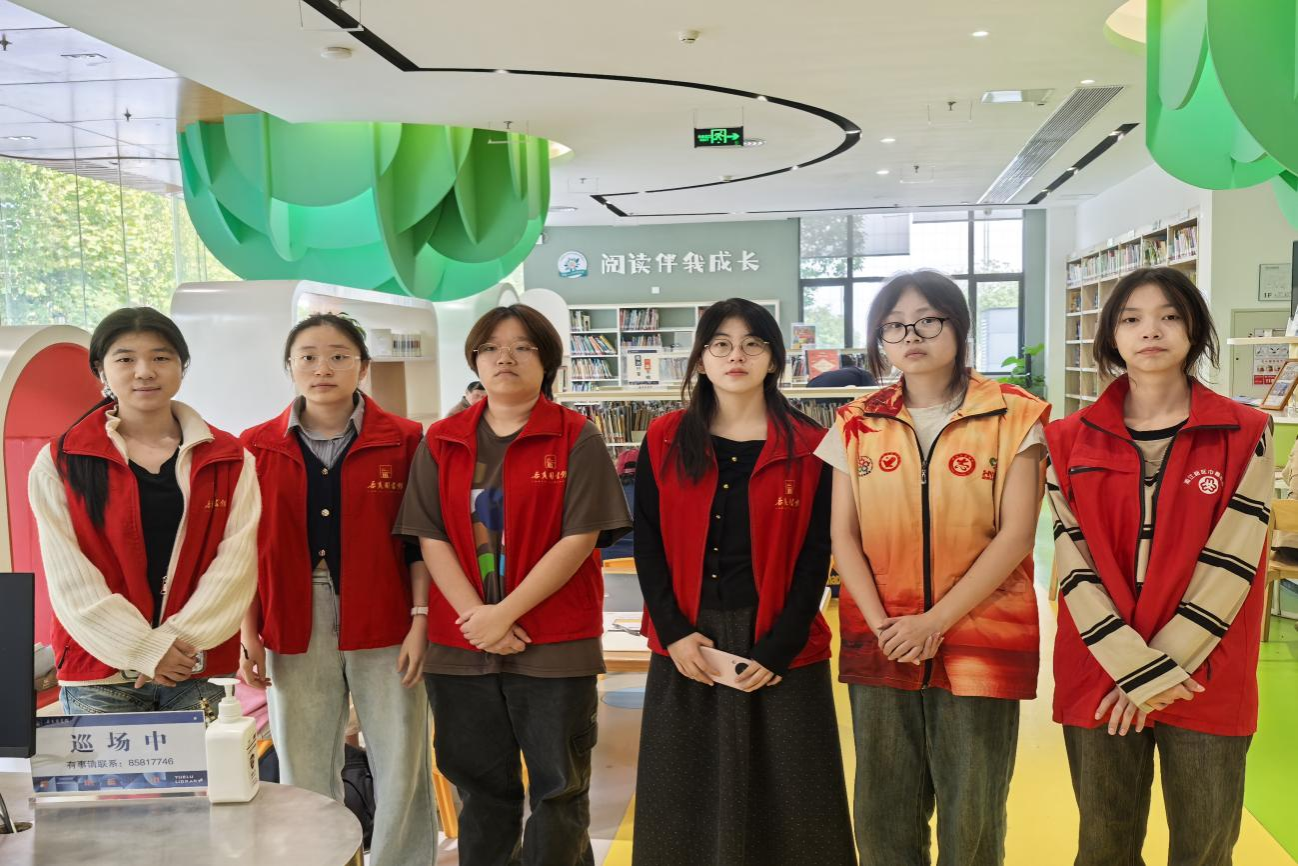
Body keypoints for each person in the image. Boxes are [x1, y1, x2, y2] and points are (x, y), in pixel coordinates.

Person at [817, 270, 1049, 866]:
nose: (910, 336)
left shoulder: (1014, 415)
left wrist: (935, 622)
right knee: (882, 812)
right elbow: (843, 534)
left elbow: (1016, 535)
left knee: (973, 813)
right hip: (882, 638)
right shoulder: (856, 420)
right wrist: (883, 625)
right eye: (893, 326)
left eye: (927, 321)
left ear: (958, 325)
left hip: (981, 637)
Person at [1043, 267, 1272, 866]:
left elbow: (1236, 559)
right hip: (1101, 672)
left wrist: (1156, 671)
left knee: (1205, 847)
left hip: (1204, 672)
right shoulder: (1065, 440)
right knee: (1104, 846)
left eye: (1170, 316)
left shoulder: (1245, 431)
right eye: (1132, 318)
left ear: (1194, 330)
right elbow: (1074, 567)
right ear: (1111, 336)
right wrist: (1132, 668)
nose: (1151, 331)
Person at [393, 304, 631, 866]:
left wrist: (503, 614)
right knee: (480, 789)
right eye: (492, 347)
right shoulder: (441, 439)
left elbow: (580, 537)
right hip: (461, 645)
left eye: (524, 346)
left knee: (558, 788)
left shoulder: (576, 436)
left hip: (554, 642)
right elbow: (430, 535)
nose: (506, 357)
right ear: (474, 358)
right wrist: (479, 618)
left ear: (547, 361)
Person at [631, 298, 855, 866]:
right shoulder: (663, 438)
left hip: (779, 641)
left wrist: (781, 646)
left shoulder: (811, 444)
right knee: (682, 794)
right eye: (721, 344)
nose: (737, 356)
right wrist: (674, 632)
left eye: (753, 344)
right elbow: (648, 544)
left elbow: (817, 555)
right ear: (701, 358)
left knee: (794, 801)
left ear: (775, 359)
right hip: (688, 641)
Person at [239, 313, 436, 866]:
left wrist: (421, 619)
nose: (321, 368)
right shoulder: (255, 446)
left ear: (363, 367)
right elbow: (243, 551)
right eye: (307, 356)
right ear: (289, 367)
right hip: (292, 614)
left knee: (401, 756)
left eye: (338, 356)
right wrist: (248, 632)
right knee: (302, 762)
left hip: (387, 611)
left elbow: (421, 541)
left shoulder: (406, 439)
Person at [29, 307, 259, 714]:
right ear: (101, 370)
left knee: (212, 763)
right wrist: (143, 649)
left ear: (182, 367)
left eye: (160, 357)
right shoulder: (61, 460)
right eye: (125, 359)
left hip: (196, 667)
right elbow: (70, 579)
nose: (144, 371)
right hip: (101, 675)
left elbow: (236, 565)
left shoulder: (229, 457)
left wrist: (174, 645)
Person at [807, 353, 878, 387]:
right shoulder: (861, 372)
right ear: (853, 363)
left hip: (809, 393)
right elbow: (872, 392)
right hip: (828, 403)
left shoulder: (827, 374)